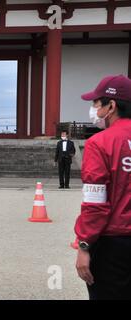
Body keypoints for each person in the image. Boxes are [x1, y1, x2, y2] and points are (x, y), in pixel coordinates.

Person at [73, 74, 131, 300]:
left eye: (96, 103)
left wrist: (84, 244)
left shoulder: (100, 143)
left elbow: (95, 203)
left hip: (113, 245)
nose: (94, 109)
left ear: (112, 105)